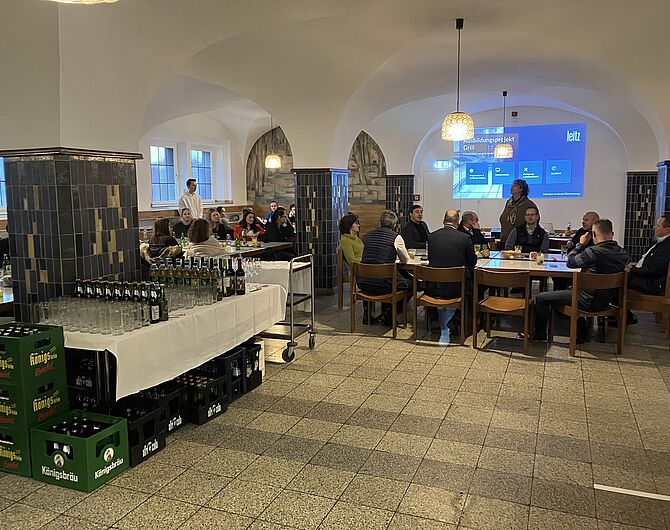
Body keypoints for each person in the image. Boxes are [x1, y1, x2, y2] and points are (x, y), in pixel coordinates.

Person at [533, 219, 628, 342]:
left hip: (586, 300)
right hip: (606, 300)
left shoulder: (593, 252)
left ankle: (540, 335)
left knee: (541, 298)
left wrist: (581, 244)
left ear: (594, 234)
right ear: (612, 234)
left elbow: (570, 262)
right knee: (570, 290)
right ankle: (582, 329)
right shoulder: (623, 253)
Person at [427, 209, 478, 337]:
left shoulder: (432, 236)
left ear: (443, 221)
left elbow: (430, 258)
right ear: (458, 222)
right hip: (457, 287)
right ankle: (456, 320)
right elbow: (472, 261)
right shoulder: (464, 238)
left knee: (429, 284)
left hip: (435, 287)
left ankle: (434, 319)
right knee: (474, 288)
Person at [357, 210, 411, 326]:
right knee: (410, 284)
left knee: (382, 278)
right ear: (394, 225)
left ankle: (367, 315)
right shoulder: (396, 237)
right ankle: (388, 315)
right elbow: (405, 260)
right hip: (384, 284)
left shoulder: (368, 235)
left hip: (364, 282)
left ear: (380, 222)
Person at [628, 214, 670, 295]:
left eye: (658, 226)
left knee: (618, 280)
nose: (654, 227)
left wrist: (632, 270)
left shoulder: (666, 246)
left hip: (652, 284)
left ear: (667, 230)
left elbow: (654, 270)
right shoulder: (657, 242)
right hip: (646, 277)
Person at [499, 179, 537, 248]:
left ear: (521, 189)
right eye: (512, 185)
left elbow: (534, 222)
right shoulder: (509, 203)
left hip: (520, 243)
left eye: (515, 185)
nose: (512, 187)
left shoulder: (528, 204)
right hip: (504, 240)